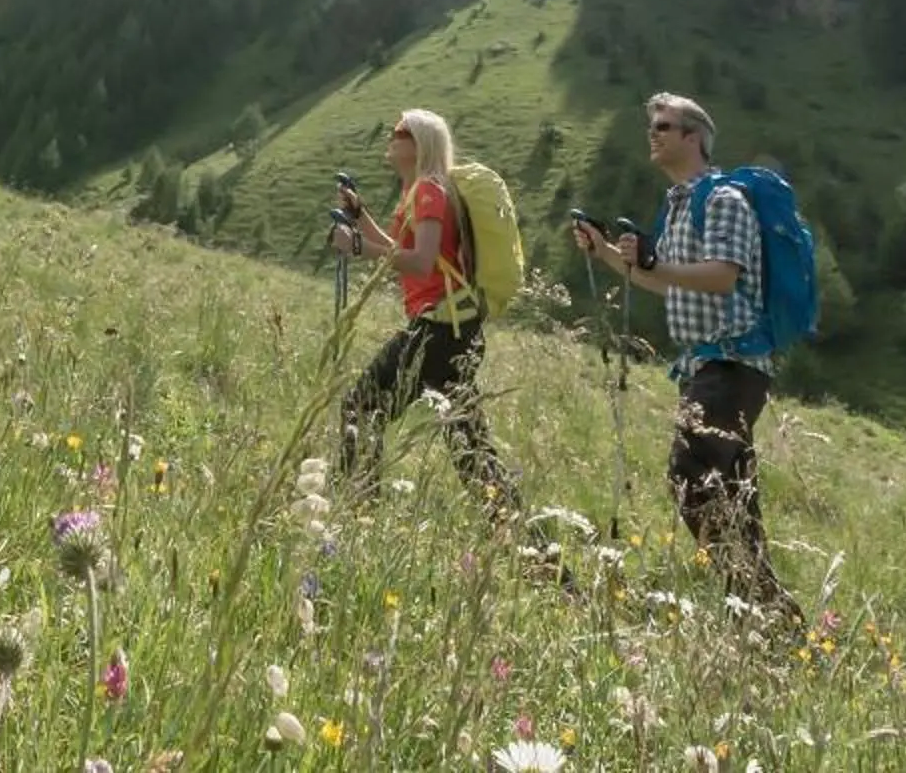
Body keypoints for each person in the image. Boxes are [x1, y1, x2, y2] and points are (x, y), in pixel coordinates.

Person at [570, 91, 796, 617]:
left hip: (733, 362)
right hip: (704, 367)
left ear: (694, 137)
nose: (652, 135)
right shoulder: (678, 206)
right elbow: (665, 282)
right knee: (733, 497)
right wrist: (605, 251)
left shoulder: (723, 200)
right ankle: (771, 622)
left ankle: (756, 608)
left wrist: (654, 263)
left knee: (689, 472)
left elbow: (721, 276)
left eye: (664, 127)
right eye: (652, 126)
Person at [327, 108, 521, 516]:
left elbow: (421, 260)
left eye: (399, 131)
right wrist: (361, 216)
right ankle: (518, 531)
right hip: (455, 330)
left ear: (419, 144)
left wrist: (357, 247)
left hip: (436, 330)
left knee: (361, 408)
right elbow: (400, 250)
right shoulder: (426, 189)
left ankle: (357, 510)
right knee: (469, 445)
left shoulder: (429, 191)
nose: (390, 136)